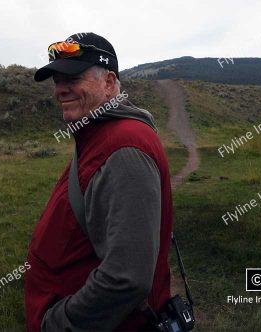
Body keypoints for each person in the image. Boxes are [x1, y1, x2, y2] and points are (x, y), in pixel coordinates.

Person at [25, 32, 174, 332]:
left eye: (73, 78)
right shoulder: (100, 135)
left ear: (108, 83)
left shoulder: (123, 148)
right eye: (57, 80)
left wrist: (59, 322)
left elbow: (127, 278)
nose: (60, 90)